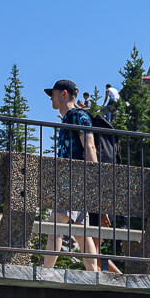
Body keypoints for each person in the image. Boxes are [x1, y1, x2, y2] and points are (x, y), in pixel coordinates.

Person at [43, 79, 101, 271]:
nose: (51, 97)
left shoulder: (79, 116)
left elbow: (90, 145)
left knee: (54, 225)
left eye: (53, 93)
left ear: (64, 93)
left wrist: (95, 176)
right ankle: (94, 277)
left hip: (74, 180)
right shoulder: (70, 118)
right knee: (82, 234)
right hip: (74, 180)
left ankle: (46, 273)